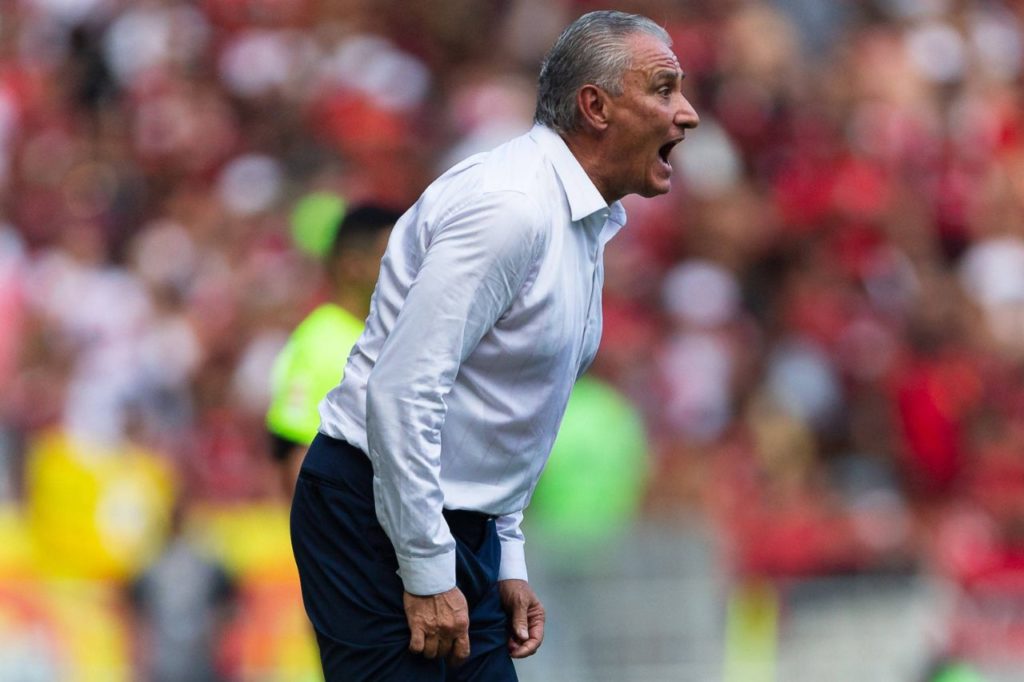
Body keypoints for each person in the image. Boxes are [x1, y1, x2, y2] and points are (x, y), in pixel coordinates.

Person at [290, 9, 699, 681]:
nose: (686, 113)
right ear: (595, 106)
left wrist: (503, 554)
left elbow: (503, 404)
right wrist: (426, 567)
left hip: (445, 519)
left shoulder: (578, 217)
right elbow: (402, 390)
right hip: (377, 514)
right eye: (663, 89)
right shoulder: (510, 208)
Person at [265, 204, 399, 495]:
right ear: (353, 265)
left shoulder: (388, 336)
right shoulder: (321, 343)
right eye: (394, 257)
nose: (408, 269)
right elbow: (300, 456)